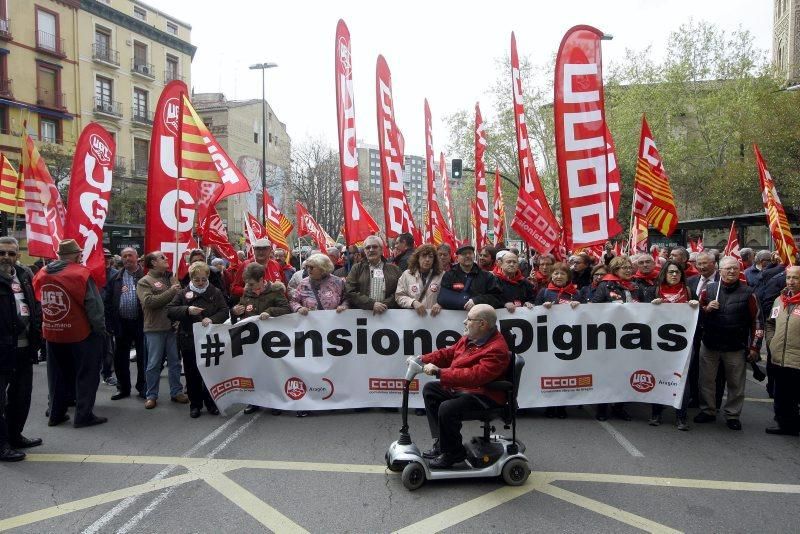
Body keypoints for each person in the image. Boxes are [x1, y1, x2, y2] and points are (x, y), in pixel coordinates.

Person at [418, 304, 510, 469]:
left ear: (482, 324)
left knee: (447, 408)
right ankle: (443, 443)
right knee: (431, 390)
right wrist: (423, 359)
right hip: (467, 390)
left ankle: (454, 453)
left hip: (485, 395)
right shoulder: (470, 338)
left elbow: (476, 376)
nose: (464, 322)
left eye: (469, 319)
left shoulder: (497, 349)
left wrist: (440, 373)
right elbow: (448, 353)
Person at [33, 239, 107, 428]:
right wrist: (100, 330)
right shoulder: (80, 274)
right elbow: (94, 306)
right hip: (80, 333)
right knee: (87, 374)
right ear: (76, 255)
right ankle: (83, 415)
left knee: (56, 375)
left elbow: (37, 299)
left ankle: (56, 414)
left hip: (53, 332)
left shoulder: (42, 273)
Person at [694, 257, 763, 430]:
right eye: (727, 269)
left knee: (735, 383)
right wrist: (706, 309)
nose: (731, 272)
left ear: (739, 270)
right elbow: (695, 317)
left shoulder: (749, 293)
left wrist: (755, 347)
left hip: (735, 346)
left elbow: (757, 322)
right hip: (710, 344)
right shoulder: (708, 290)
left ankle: (733, 414)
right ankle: (708, 410)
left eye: (734, 268)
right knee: (706, 380)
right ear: (720, 270)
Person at [166, 262, 229, 419]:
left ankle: (211, 402)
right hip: (189, 339)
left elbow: (224, 311)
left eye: (203, 279)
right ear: (191, 278)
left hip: (210, 340)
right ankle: (195, 404)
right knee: (191, 373)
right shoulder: (183, 293)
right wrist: (187, 310)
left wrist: (212, 319)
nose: (200, 282)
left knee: (210, 372)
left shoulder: (215, 291)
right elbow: (170, 310)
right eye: (197, 280)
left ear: (207, 277)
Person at [0, 237, 42, 461]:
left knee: (21, 395)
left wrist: (38, 329)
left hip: (25, 348)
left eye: (11, 253)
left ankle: (15, 435)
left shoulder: (25, 275)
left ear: (18, 255)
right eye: (2, 253)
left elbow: (34, 305)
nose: (6, 257)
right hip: (2, 349)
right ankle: (2, 445)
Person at [647, 261, 699, 430]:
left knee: (682, 380)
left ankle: (681, 417)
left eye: (677, 272)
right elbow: (640, 318)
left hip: (683, 346)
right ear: (664, 274)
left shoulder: (689, 292)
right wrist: (650, 307)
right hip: (658, 345)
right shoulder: (653, 291)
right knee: (658, 376)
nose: (674, 275)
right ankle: (656, 413)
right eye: (670, 272)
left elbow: (700, 318)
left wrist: (696, 307)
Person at [592, 255, 644, 421]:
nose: (629, 270)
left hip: (630, 338)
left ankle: (619, 407)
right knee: (605, 373)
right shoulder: (604, 286)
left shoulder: (635, 286)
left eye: (630, 268)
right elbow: (593, 308)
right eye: (625, 268)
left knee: (625, 372)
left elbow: (646, 308)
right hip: (608, 337)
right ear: (615, 270)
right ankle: (602, 408)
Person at [136, 251, 188, 410]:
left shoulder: (171, 278)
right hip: (154, 328)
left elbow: (178, 302)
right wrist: (171, 291)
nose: (166, 259)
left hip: (171, 327)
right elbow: (149, 302)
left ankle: (176, 391)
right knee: (153, 363)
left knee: (174, 362)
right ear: (152, 263)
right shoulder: (144, 282)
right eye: (162, 258)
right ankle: (151, 394)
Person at [535, 262, 580, 419]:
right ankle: (548, 406)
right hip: (548, 339)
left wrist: (579, 305)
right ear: (551, 276)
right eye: (555, 273)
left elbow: (586, 315)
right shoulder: (544, 292)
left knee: (564, 373)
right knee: (549, 373)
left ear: (568, 276)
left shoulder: (576, 293)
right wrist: (542, 307)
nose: (559, 276)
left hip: (568, 340)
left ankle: (561, 406)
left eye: (562, 273)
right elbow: (533, 312)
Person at [105, 247, 147, 401]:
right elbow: (108, 302)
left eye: (130, 255)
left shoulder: (146, 276)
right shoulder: (116, 277)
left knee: (143, 357)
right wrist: (109, 323)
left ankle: (143, 387)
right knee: (120, 358)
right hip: (121, 324)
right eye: (124, 256)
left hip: (141, 323)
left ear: (137, 257)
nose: (127, 258)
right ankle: (123, 388)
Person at [764, 265, 800, 436]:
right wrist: (772, 342)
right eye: (788, 278)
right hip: (780, 357)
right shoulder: (780, 300)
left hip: (797, 359)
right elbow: (770, 322)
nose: (791, 282)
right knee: (782, 396)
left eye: (795, 278)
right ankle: (784, 425)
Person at [346, 236, 401, 314]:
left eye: (375, 247)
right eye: (368, 248)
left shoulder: (394, 269)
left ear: (381, 249)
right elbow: (349, 291)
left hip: (388, 314)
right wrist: (371, 304)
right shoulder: (357, 268)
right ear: (364, 251)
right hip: (363, 315)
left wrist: (384, 304)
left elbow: (400, 291)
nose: (371, 250)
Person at [438, 245, 503, 311]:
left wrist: (476, 301)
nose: (468, 256)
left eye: (470, 253)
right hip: (455, 318)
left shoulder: (487, 276)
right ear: (457, 258)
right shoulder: (449, 275)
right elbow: (443, 298)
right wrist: (464, 301)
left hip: (480, 317)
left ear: (474, 256)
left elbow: (497, 298)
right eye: (464, 254)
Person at [395, 244, 444, 317]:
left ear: (434, 259)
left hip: (435, 320)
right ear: (417, 258)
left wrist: (441, 304)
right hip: (414, 320)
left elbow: (447, 295)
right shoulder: (407, 275)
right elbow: (399, 296)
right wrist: (412, 302)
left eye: (430, 257)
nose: (427, 259)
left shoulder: (441, 275)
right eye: (424, 256)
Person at [100, 249, 118, 387]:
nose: (106, 260)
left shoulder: (115, 275)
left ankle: (107, 374)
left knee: (108, 349)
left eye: (108, 257)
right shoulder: (92, 273)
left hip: (109, 316)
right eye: (103, 257)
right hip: (94, 316)